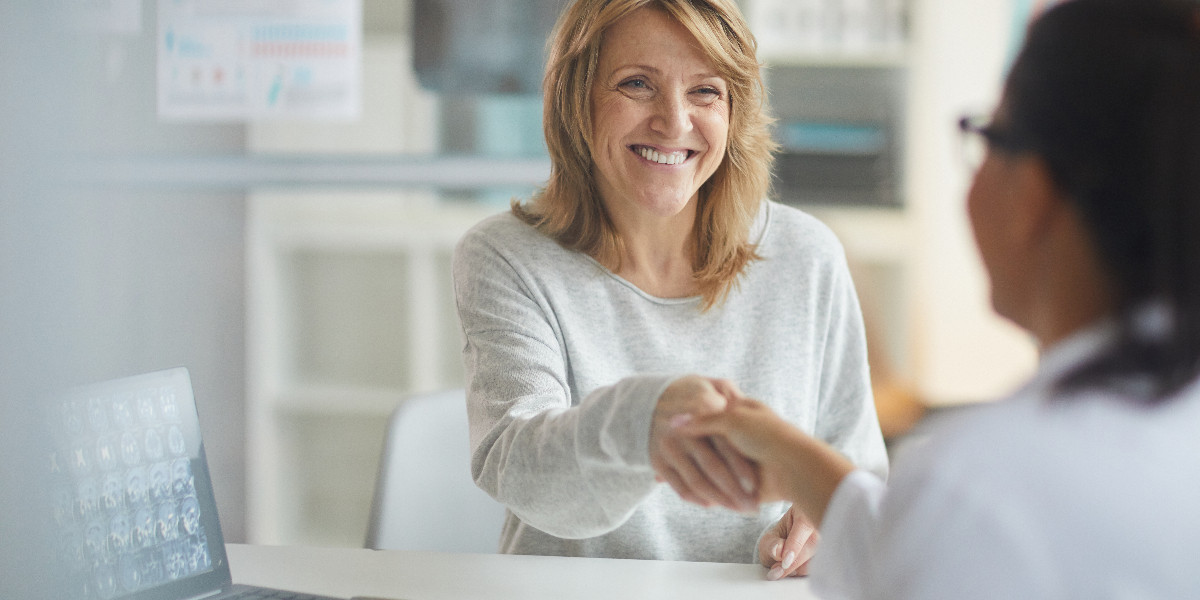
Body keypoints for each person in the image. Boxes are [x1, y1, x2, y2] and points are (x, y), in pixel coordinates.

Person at [675, 0, 1200, 595]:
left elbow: (942, 545)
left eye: (988, 137)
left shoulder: (976, 485)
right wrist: (799, 462)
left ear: (1031, 196)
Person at [451, 0, 888, 572]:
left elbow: (858, 473)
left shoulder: (807, 256)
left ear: (734, 111)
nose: (674, 122)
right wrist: (643, 424)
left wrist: (825, 522)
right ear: (576, 101)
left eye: (705, 91)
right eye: (637, 84)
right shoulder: (506, 257)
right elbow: (519, 470)